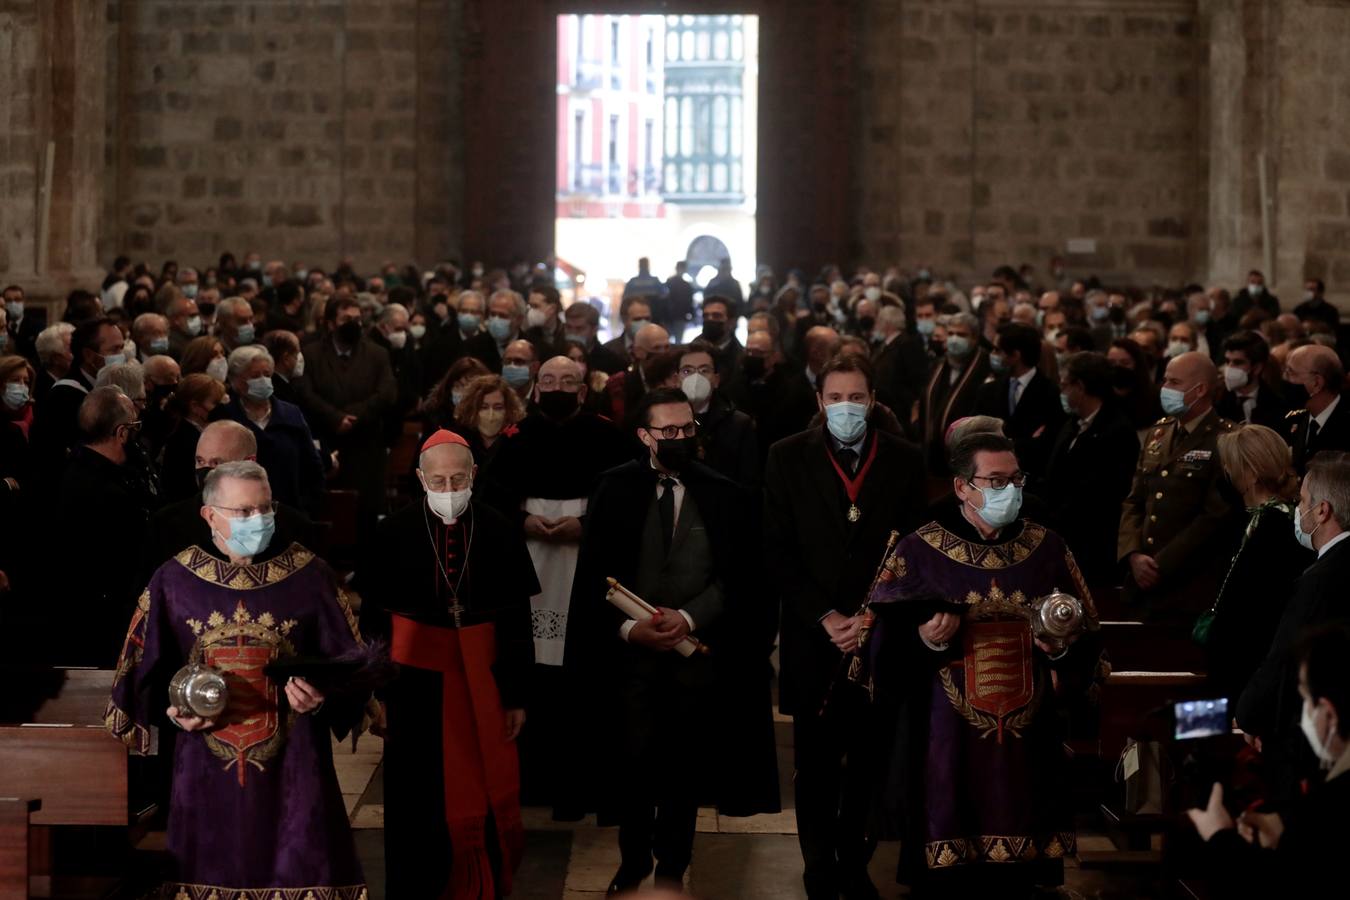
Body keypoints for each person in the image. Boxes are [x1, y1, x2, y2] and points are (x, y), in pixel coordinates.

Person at [106, 461, 370, 900]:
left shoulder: (311, 577)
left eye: (265, 508)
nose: (258, 520)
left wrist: (321, 699)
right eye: (244, 511)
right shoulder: (174, 580)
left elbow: (355, 666)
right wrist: (174, 710)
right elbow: (143, 671)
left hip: (295, 768)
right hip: (203, 771)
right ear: (210, 515)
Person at [865, 432, 1106, 896]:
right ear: (962, 487)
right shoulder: (919, 550)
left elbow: (1086, 630)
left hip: (1028, 732)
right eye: (995, 480)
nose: (1010, 490)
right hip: (943, 735)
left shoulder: (1047, 547)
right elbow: (880, 645)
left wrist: (1059, 650)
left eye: (1015, 479)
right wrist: (926, 641)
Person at [566, 388, 779, 893]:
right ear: (645, 435)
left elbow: (738, 577)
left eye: (688, 429)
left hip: (696, 653)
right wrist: (629, 627)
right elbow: (595, 573)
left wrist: (688, 616)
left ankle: (673, 866)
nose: (681, 438)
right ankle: (634, 860)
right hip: (629, 654)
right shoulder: (614, 488)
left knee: (684, 765)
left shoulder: (723, 492)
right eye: (670, 431)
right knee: (634, 760)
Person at [763, 355, 927, 900]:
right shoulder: (787, 457)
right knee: (813, 760)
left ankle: (855, 859)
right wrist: (827, 616)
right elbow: (777, 550)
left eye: (856, 398)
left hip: (878, 632)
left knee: (868, 757)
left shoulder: (904, 459)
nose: (846, 408)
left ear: (873, 400)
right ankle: (816, 863)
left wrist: (874, 615)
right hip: (816, 631)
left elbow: (915, 547)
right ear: (819, 402)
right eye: (836, 398)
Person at [357, 430, 537, 900]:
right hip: (411, 686)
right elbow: (373, 622)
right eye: (438, 480)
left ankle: (481, 883)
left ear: (474, 474)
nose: (449, 487)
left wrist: (516, 696)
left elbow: (518, 620)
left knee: (481, 779)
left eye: (458, 477)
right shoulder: (391, 531)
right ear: (420, 478)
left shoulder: (499, 527)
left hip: (485, 679)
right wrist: (377, 695)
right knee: (415, 796)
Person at [1189, 625, 1350, 891]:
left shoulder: (1328, 805)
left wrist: (1218, 835)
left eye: (1305, 700)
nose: (1303, 715)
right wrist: (1283, 828)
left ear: (1329, 714)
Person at [1237, 451, 1350, 805]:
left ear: (1323, 510)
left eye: (1302, 501)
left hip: (1309, 742)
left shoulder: (1320, 580)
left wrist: (1250, 714)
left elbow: (1286, 659)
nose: (1297, 511)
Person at [1117, 351, 1238, 622]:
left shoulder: (1225, 438)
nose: (1165, 389)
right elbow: (1135, 500)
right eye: (1165, 381)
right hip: (1141, 580)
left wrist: (1160, 564)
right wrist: (1133, 554)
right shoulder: (1159, 432)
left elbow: (1215, 515)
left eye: (1174, 382)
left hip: (1188, 584)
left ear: (1201, 389)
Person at [1199, 425, 1312, 702]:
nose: (1224, 470)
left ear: (1249, 472)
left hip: (1249, 686)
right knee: (1167, 725)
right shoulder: (1251, 519)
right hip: (1232, 677)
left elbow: (1256, 614)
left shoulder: (1277, 529)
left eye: (1229, 464)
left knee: (1186, 730)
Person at [54, 387, 150, 665]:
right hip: (102, 620)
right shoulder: (108, 492)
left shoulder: (69, 469)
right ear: (121, 433)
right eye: (134, 426)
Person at [146, 420, 316, 571]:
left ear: (249, 462)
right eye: (200, 461)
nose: (206, 471)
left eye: (217, 463)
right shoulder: (167, 525)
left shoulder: (292, 529)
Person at [298, 296, 397, 536]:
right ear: (331, 323)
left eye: (356, 319)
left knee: (364, 519)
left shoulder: (377, 354)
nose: (352, 324)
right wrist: (334, 418)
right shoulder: (310, 354)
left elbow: (387, 394)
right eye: (346, 319)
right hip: (326, 444)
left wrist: (350, 417)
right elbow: (304, 393)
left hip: (365, 445)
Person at [1040, 352, 1141, 589]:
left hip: (1092, 546)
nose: (1061, 391)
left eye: (1065, 385)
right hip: (1061, 539)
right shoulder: (1072, 423)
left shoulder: (1117, 431)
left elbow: (1099, 493)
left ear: (1081, 386)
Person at [215, 346, 325, 517]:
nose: (263, 380)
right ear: (235, 380)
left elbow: (312, 467)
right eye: (255, 376)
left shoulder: (291, 414)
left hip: (289, 513)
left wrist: (306, 509)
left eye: (266, 375)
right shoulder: (224, 416)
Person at [29, 316, 125, 490]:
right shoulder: (65, 396)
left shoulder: (112, 388)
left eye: (122, 348)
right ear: (89, 355)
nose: (121, 356)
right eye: (114, 350)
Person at [975, 323, 1065, 476]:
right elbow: (976, 433)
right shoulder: (988, 390)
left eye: (998, 350)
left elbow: (1048, 443)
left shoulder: (1051, 393)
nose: (993, 355)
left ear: (1015, 355)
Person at [919, 312, 992, 475]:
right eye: (951, 333)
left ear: (974, 338)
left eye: (961, 334)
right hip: (933, 456)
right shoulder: (939, 365)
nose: (954, 339)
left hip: (968, 456)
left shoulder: (985, 367)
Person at [676, 341, 758, 485]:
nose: (696, 378)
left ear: (716, 380)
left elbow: (748, 483)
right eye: (687, 371)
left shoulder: (739, 425)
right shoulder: (663, 421)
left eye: (704, 371)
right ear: (677, 379)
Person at [1280, 343, 1350, 474]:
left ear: (1316, 383)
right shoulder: (1291, 417)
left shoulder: (1346, 426)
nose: (1284, 379)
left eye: (1291, 373)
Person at [159, 374, 228, 502]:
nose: (220, 407)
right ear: (195, 406)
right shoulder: (182, 439)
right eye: (215, 403)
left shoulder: (203, 431)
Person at [451, 373, 526, 470]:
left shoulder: (521, 444)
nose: (491, 415)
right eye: (483, 407)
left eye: (498, 408)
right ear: (472, 409)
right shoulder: (459, 445)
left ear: (508, 410)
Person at [870, 304, 929, 424]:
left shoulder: (907, 344)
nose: (876, 325)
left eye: (878, 321)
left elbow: (916, 379)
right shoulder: (885, 345)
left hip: (900, 410)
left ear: (886, 322)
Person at [1217, 330, 1289, 428]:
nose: (1230, 368)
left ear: (1257, 368)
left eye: (1238, 362)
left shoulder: (1279, 401)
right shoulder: (1217, 399)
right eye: (1227, 361)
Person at [422, 356, 492, 432]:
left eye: (470, 388)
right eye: (458, 386)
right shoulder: (436, 413)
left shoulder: (492, 415)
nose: (463, 392)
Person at [465, 289, 526, 373]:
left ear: (519, 319)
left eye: (503, 315)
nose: (496, 320)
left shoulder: (535, 349)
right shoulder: (471, 347)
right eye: (493, 314)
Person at [562, 301, 626, 375]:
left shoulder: (612, 361)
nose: (573, 333)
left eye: (579, 329)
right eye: (568, 327)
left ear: (594, 330)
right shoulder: (555, 356)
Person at [602, 295, 653, 369]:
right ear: (624, 320)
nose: (644, 323)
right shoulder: (607, 351)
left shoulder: (661, 348)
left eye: (647, 318)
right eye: (637, 319)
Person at [699, 294, 742, 376]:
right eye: (705, 316)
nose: (710, 319)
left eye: (716, 316)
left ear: (731, 322)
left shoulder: (740, 358)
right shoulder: (690, 351)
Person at [33, 322, 74, 403]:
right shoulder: (43, 392)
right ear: (56, 359)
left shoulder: (75, 378)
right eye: (72, 348)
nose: (80, 352)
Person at [523, 283, 564, 361]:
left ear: (552, 308)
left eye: (535, 306)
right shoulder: (528, 335)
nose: (531, 311)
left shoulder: (567, 334)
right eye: (530, 306)